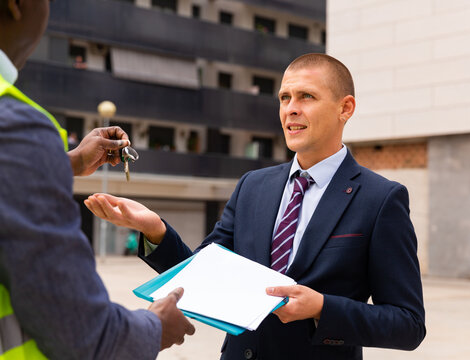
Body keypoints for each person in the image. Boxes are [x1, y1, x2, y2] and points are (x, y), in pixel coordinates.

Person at [86, 53, 426, 359]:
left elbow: (408, 324)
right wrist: (154, 229)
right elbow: (203, 273)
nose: (291, 108)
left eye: (307, 96)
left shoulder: (381, 199)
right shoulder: (253, 186)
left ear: (345, 108)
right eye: (284, 97)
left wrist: (323, 307)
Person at [0, 1, 194, 359]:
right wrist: (155, 326)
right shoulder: (16, 126)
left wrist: (65, 162)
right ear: (15, 6)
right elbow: (81, 332)